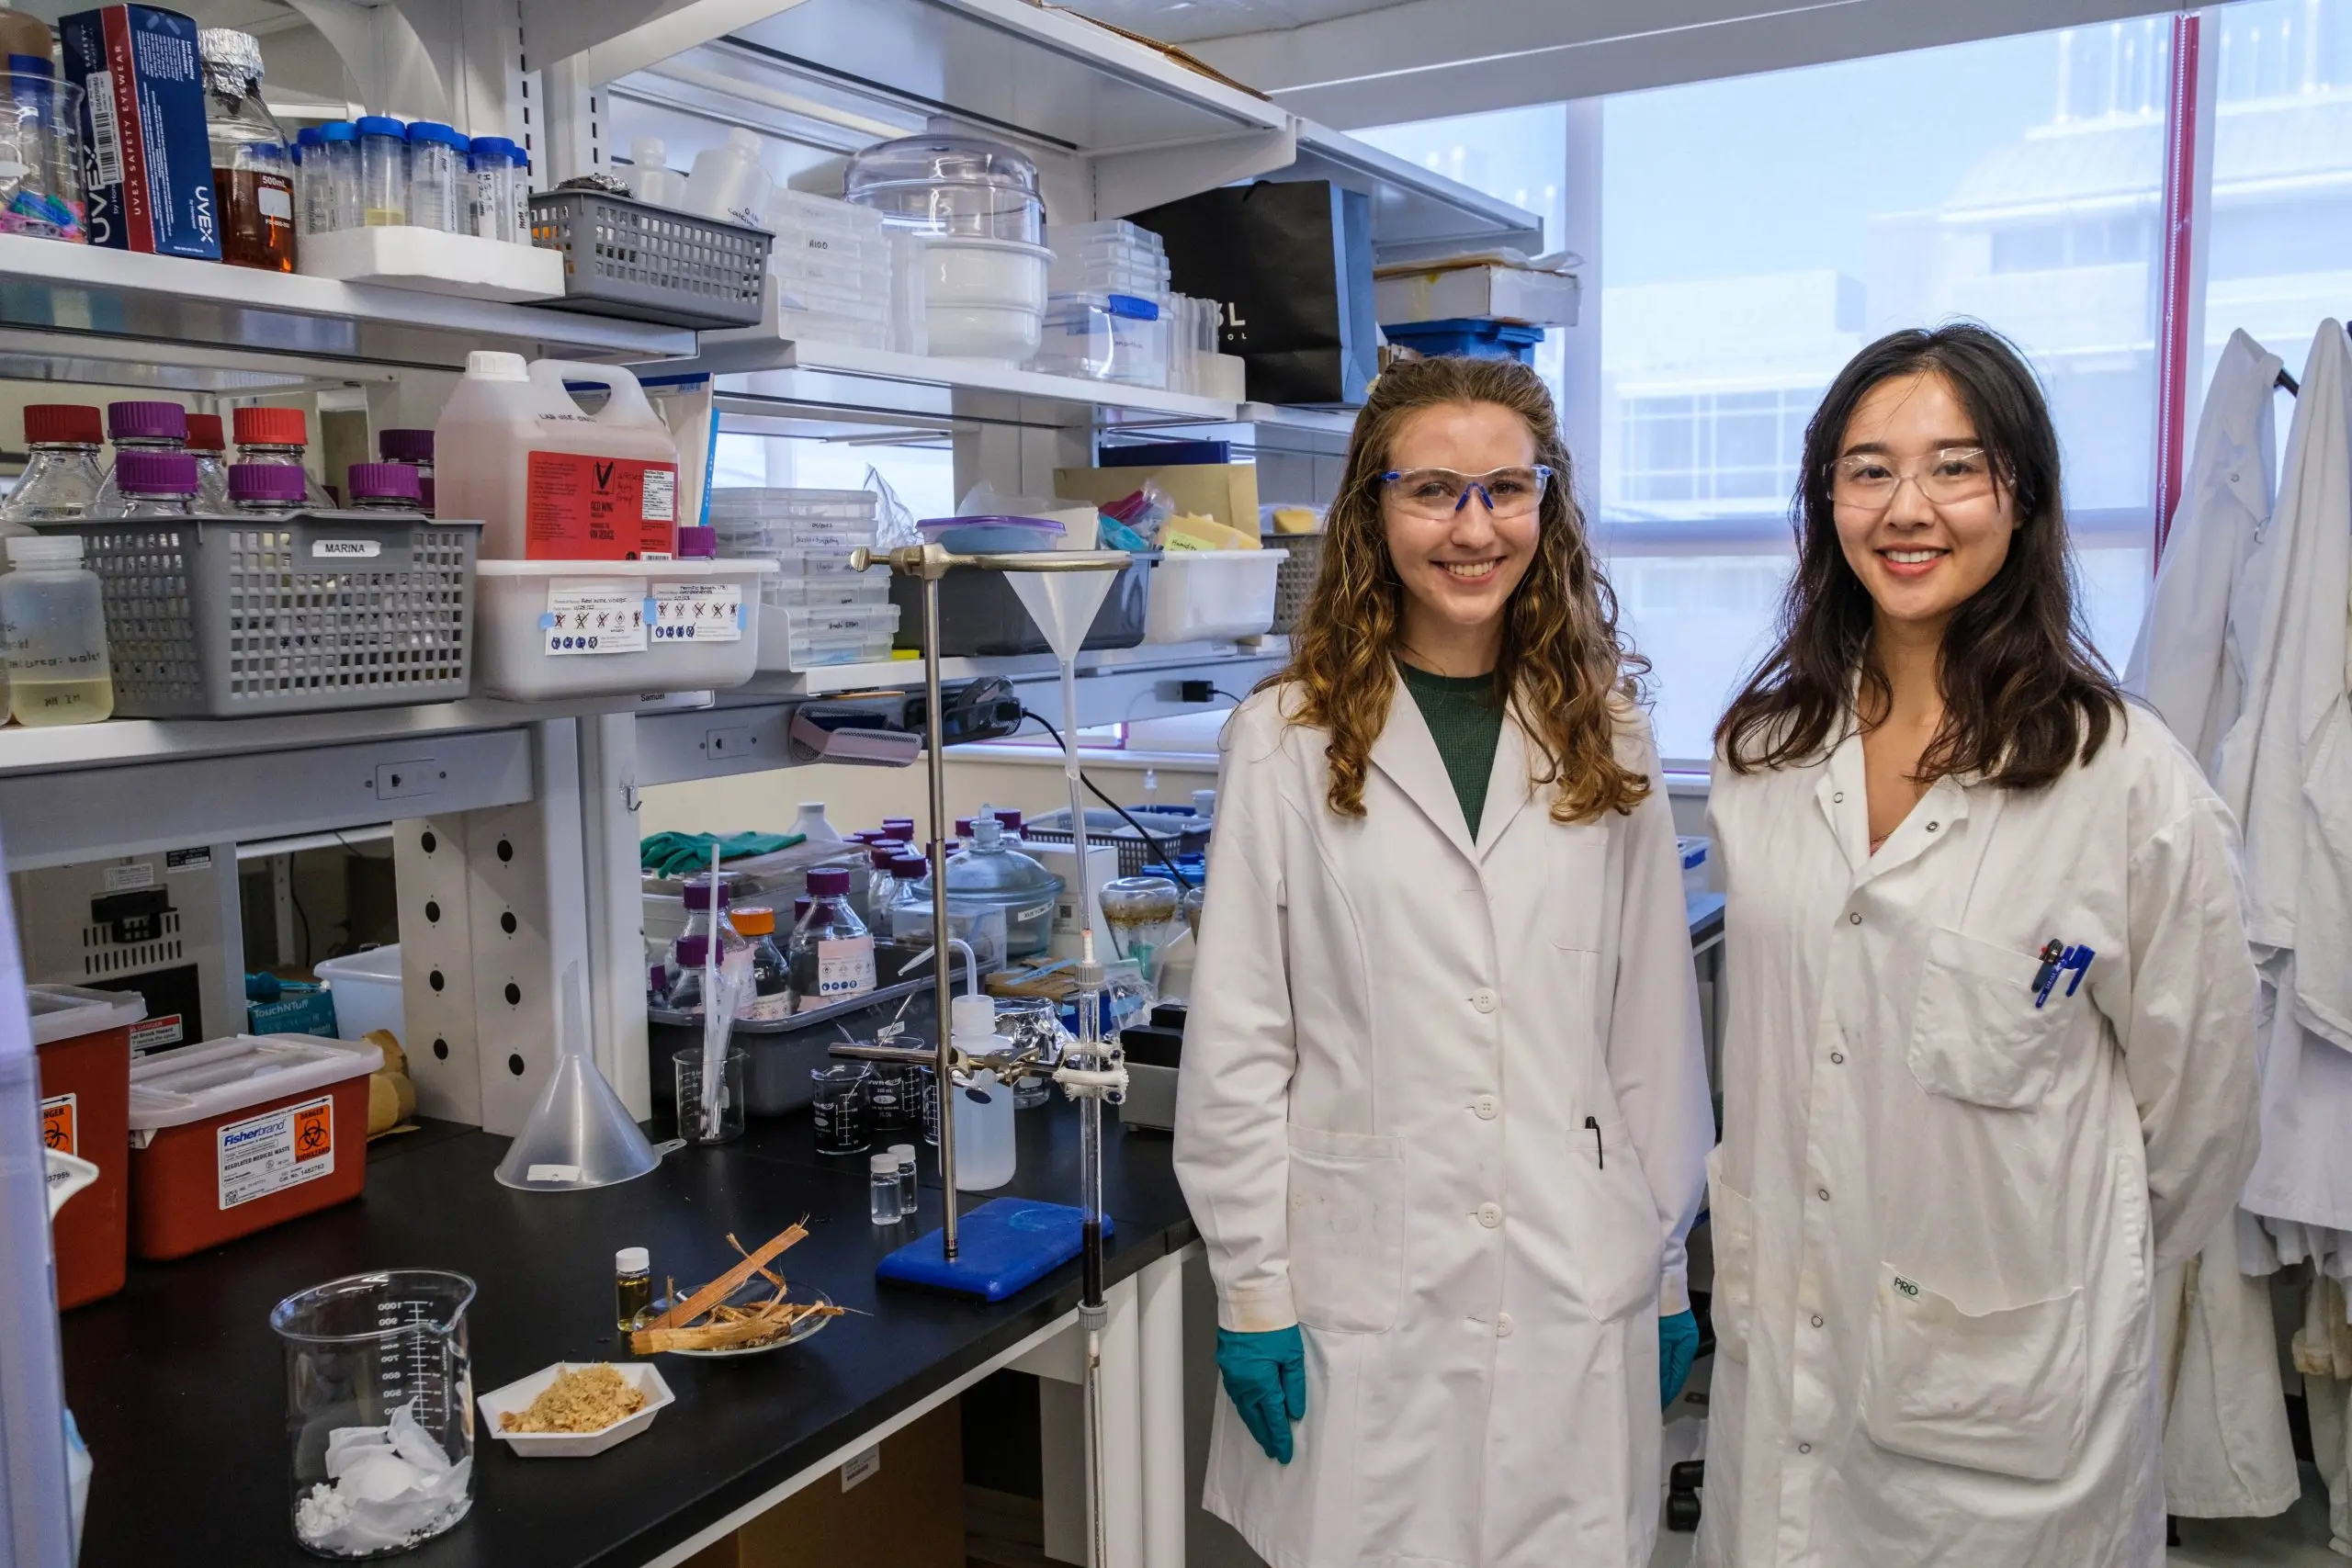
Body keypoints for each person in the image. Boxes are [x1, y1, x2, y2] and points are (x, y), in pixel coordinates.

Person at [1700, 323, 2260, 1566]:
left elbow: (2202, 1119)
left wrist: (2042, 1269)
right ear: (1826, 499)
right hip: (1786, 1345)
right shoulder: (1763, 757)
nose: (1909, 507)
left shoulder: (2123, 779)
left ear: (2026, 496)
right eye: (1867, 468)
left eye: (1957, 466)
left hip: (2010, 1416)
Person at [1173, 354, 1713, 1568]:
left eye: (1505, 490)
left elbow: (1653, 1036)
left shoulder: (1605, 730)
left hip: (1577, 1265)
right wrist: (1253, 1290)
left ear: (1547, 506)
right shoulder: (1283, 739)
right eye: (1433, 492)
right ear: (1375, 509)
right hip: (1365, 1284)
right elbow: (1243, 1036)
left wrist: (1669, 1259)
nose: (1474, 528)